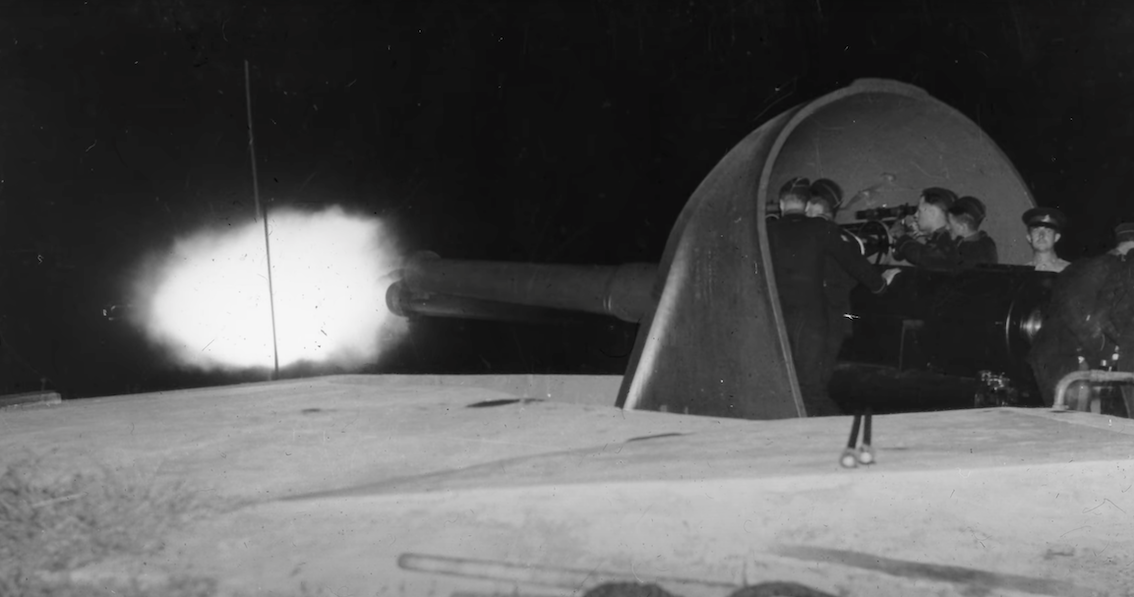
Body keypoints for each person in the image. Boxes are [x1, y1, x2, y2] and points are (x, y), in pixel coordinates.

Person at [768, 177, 898, 417]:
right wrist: (881, 284)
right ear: (807, 207)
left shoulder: (768, 231)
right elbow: (857, 266)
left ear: (781, 205)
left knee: (790, 387)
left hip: (775, 320)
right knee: (811, 388)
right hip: (813, 323)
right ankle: (844, 434)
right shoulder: (822, 230)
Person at [804, 178, 859, 376]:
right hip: (836, 321)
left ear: (813, 206)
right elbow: (854, 278)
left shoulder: (808, 239)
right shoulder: (849, 239)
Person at [890, 187, 960, 269]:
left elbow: (926, 257)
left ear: (932, 213)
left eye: (919, 211)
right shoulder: (948, 237)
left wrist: (902, 237)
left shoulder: (948, 238)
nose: (915, 216)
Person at [946, 196, 998, 268]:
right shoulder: (985, 242)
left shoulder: (969, 252)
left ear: (963, 227)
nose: (947, 227)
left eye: (949, 223)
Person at [1021, 207, 1071, 273]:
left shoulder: (1071, 271)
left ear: (1056, 237)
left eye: (1048, 231)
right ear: (1029, 238)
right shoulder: (1021, 273)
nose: (1041, 235)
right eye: (1036, 230)